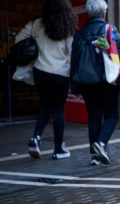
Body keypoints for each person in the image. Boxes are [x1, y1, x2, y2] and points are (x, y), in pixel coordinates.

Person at [70, 0, 120, 166]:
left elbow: (74, 61)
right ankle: (101, 144)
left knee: (94, 117)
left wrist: (74, 86)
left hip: (86, 82)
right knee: (112, 116)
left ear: (89, 13)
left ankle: (95, 157)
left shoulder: (80, 34)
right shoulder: (110, 30)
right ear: (104, 12)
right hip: (107, 81)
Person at [17, 0, 78, 160]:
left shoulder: (37, 23)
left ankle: (35, 137)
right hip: (60, 73)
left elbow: (20, 38)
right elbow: (72, 52)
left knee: (45, 107)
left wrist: (33, 51)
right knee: (58, 111)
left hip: (40, 71)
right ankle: (58, 149)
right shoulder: (67, 25)